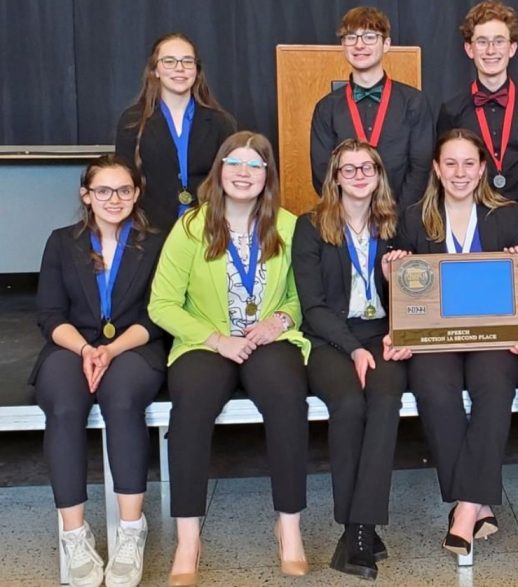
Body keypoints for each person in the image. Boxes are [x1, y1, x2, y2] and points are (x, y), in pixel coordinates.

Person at [148, 131, 311, 585]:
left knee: (286, 398)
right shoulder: (191, 228)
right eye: (234, 163)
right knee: (192, 407)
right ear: (219, 171)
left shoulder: (290, 226)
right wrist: (217, 339)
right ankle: (187, 538)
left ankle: (290, 526)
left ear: (267, 176)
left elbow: (300, 299)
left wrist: (277, 322)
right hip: (205, 341)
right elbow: (161, 304)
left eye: (255, 165)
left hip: (268, 340)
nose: (244, 173)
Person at [393, 128, 518, 558]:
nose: (459, 172)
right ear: (436, 167)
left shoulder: (507, 215)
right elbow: (401, 289)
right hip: (436, 338)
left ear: (482, 168)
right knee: (436, 390)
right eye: (449, 163)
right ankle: (478, 501)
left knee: (494, 389)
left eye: (468, 163)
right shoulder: (414, 216)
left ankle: (465, 509)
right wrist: (392, 268)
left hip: (492, 335)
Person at [31, 155, 165, 587]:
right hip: (72, 344)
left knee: (122, 400)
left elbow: (158, 314)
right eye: (103, 190)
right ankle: (74, 534)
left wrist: (111, 350)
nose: (114, 199)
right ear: (85, 196)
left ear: (136, 194)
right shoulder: (61, 242)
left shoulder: (156, 242)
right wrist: (89, 348)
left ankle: (131, 531)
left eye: (124, 190)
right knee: (65, 406)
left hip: (134, 344)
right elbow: (50, 314)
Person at [292, 139, 408, 581]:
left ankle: (360, 529)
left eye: (367, 168)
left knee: (384, 402)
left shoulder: (395, 227)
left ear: (378, 175)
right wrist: (353, 347)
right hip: (328, 339)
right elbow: (313, 305)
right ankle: (357, 527)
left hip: (383, 335)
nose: (359, 176)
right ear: (334, 177)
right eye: (349, 169)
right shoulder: (311, 227)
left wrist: (397, 313)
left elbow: (418, 292)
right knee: (348, 404)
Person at [310, 6, 434, 212]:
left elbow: (421, 168)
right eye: (351, 37)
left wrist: (396, 215)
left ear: (386, 44)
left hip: (402, 219)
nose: (359, 45)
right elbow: (321, 172)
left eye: (369, 36)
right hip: (345, 221)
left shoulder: (414, 102)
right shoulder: (326, 108)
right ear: (343, 45)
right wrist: (352, 214)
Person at [116, 32, 236, 232]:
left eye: (187, 61)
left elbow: (230, 179)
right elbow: (124, 178)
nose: (179, 68)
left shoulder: (220, 122)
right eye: (169, 61)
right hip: (149, 230)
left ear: (197, 70)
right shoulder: (132, 121)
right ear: (155, 69)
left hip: (207, 229)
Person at [437, 0, 518, 207]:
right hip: (471, 215)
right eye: (482, 42)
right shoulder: (451, 110)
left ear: (512, 48)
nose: (491, 50)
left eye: (499, 41)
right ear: (469, 49)